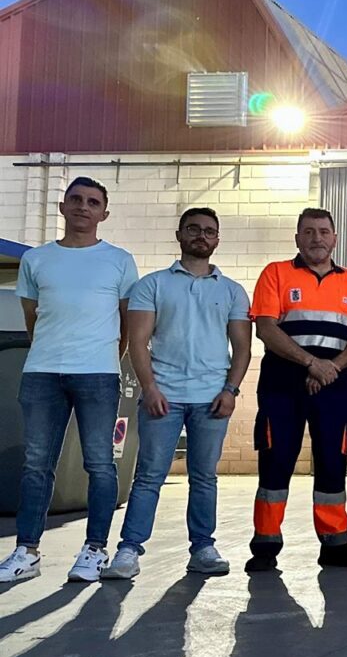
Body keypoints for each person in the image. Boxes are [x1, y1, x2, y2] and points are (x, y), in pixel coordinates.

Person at [1, 177, 138, 585]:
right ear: (62, 207)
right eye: (76, 200)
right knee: (36, 465)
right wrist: (49, 352)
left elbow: (127, 320)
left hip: (97, 375)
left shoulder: (119, 260)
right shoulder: (37, 260)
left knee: (99, 463)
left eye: (93, 202)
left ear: (104, 214)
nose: (83, 207)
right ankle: (26, 551)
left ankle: (95, 550)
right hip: (42, 373)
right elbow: (32, 318)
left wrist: (108, 361)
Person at [103, 208, 251, 579]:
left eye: (209, 231)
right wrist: (149, 388)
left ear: (217, 239)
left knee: (204, 477)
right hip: (162, 398)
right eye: (194, 229)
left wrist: (231, 390)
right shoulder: (151, 285)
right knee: (149, 476)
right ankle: (128, 551)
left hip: (212, 399)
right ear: (179, 234)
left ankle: (203, 547)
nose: (202, 236)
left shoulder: (232, 291)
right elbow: (137, 342)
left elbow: (243, 348)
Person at [247, 208, 347, 573]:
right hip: (282, 384)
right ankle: (265, 546)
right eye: (309, 232)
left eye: (323, 231)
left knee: (333, 463)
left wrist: (331, 367)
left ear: (335, 238)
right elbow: (267, 329)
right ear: (297, 238)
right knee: (276, 461)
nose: (317, 238)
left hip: (336, 384)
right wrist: (310, 363)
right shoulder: (276, 273)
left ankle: (335, 545)